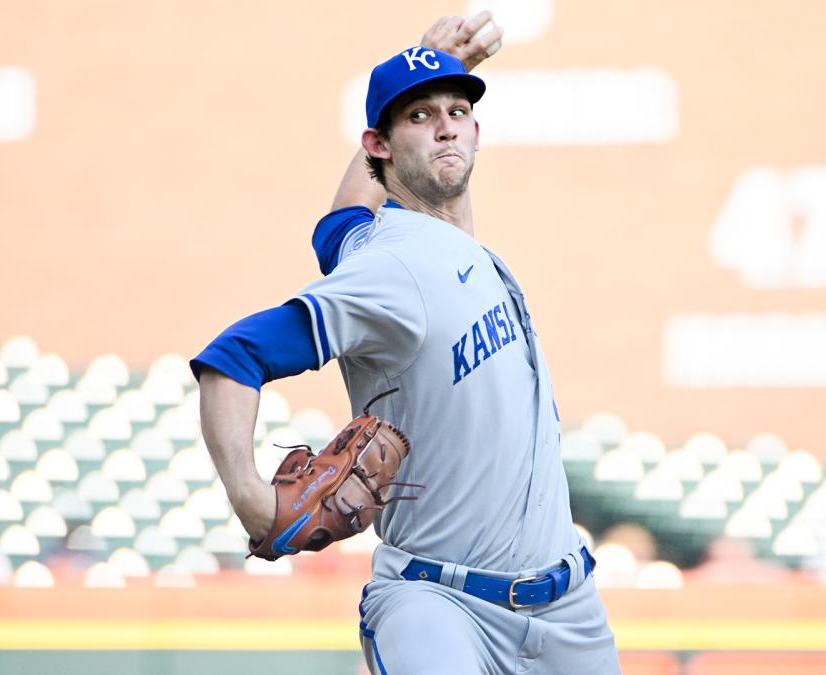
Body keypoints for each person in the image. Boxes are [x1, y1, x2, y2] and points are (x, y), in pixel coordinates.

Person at [192, 13, 621, 674]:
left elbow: (338, 223)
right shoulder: (391, 268)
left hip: (570, 611)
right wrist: (250, 497)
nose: (445, 125)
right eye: (419, 116)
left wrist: (428, 65)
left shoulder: (400, 245)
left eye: (457, 111)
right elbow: (235, 356)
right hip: (440, 604)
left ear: (476, 132)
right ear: (379, 145)